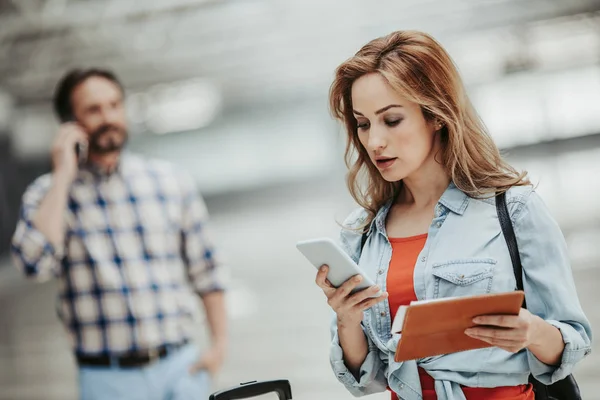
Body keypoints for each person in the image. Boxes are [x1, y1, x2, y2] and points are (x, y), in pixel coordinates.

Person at [315, 31, 592, 400]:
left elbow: (572, 341)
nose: (374, 141)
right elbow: (365, 381)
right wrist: (348, 319)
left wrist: (533, 332)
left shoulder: (512, 209)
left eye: (392, 120)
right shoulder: (361, 233)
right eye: (363, 124)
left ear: (436, 115)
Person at [11, 68, 228, 400]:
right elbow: (32, 265)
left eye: (114, 105)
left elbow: (208, 271)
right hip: (107, 380)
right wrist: (63, 175)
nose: (108, 116)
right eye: (93, 109)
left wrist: (218, 349)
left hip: (182, 368)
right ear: (71, 124)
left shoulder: (169, 181)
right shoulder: (47, 194)